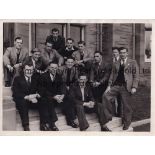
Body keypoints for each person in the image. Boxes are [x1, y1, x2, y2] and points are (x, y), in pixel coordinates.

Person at [102, 47, 139, 131]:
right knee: (105, 96)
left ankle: (126, 123)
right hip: (116, 85)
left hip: (126, 87)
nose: (122, 54)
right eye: (121, 53)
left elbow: (136, 76)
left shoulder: (132, 62)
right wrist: (109, 86)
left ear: (127, 53)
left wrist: (134, 87)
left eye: (124, 52)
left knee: (127, 106)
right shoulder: (116, 63)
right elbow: (112, 75)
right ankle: (108, 116)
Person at [12, 62, 40, 131]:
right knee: (22, 102)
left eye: (31, 70)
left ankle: (44, 123)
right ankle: (26, 125)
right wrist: (27, 97)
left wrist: (36, 95)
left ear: (33, 70)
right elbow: (16, 93)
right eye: (27, 70)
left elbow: (40, 89)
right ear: (24, 70)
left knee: (44, 99)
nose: (29, 71)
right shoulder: (17, 79)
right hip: (23, 100)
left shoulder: (35, 78)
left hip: (32, 100)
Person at [58, 57, 79, 128]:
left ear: (73, 63)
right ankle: (70, 120)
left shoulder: (75, 69)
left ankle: (71, 115)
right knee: (68, 98)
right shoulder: (60, 69)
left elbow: (76, 80)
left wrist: (70, 87)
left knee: (72, 97)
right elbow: (58, 80)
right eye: (68, 62)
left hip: (70, 88)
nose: (70, 64)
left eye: (71, 62)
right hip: (60, 87)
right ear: (65, 62)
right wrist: (65, 86)